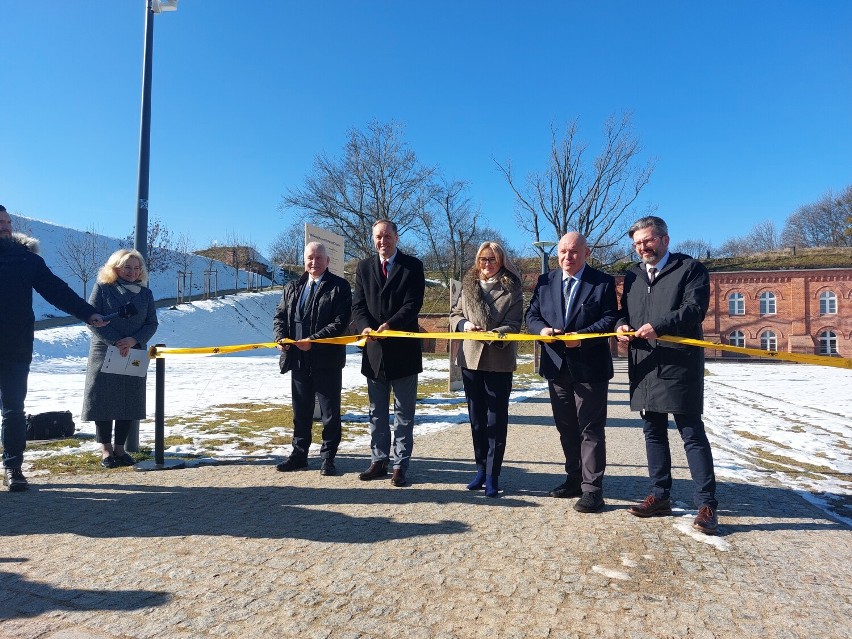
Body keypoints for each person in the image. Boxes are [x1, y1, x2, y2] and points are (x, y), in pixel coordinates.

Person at [615, 215, 719, 535]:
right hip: (644, 364)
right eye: (636, 244)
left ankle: (706, 505)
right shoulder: (632, 276)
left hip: (678, 364)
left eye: (647, 241)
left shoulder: (690, 270)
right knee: (653, 432)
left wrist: (658, 327)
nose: (642, 248)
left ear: (664, 240)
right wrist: (620, 325)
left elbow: (694, 310)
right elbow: (624, 311)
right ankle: (659, 496)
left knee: (691, 433)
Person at [0, 205, 107, 491]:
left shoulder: (26, 260)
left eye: (8, 222)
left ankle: (13, 469)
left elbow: (56, 290)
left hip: (15, 346)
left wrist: (88, 313)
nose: (6, 227)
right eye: (0, 222)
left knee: (13, 410)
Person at [526, 232, 619, 513]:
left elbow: (609, 318)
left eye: (574, 252)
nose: (568, 257)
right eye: (563, 252)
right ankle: (574, 478)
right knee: (566, 427)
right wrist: (541, 331)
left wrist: (582, 336)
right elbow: (531, 315)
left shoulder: (602, 282)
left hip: (590, 367)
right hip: (556, 366)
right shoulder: (545, 281)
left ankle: (593, 490)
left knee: (590, 429)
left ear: (586, 253)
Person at [351, 219, 425, 487]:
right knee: (377, 412)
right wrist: (366, 327)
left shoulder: (413, 266)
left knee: (404, 414)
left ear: (396, 237)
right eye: (377, 237)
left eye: (386, 236)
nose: (382, 241)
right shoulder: (363, 267)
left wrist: (391, 325)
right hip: (374, 352)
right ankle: (378, 460)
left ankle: (400, 464)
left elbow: (413, 304)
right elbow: (357, 305)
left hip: (403, 351)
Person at [450, 241, 523, 498]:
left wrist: (494, 334)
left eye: (491, 259)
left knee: (495, 420)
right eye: (482, 259)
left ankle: (493, 474)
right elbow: (454, 314)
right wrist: (464, 324)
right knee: (477, 419)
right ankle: (480, 469)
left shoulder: (513, 289)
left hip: (497, 360)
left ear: (501, 261)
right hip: (470, 360)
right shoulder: (468, 285)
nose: (486, 264)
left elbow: (515, 324)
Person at [273, 242, 352, 476]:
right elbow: (280, 316)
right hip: (297, 359)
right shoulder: (292, 287)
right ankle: (299, 455)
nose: (314, 262)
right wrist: (280, 337)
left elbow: (340, 322)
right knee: (301, 411)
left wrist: (314, 340)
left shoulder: (340, 287)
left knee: (329, 413)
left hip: (326, 360)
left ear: (328, 261)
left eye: (319, 258)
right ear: (304, 260)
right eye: (310, 258)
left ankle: (328, 458)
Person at [81, 249, 158, 468]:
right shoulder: (103, 289)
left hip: (133, 351)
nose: (133, 272)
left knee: (128, 400)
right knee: (103, 401)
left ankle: (120, 449)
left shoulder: (146, 294)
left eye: (136, 268)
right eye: (127, 267)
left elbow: (152, 323)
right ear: (115, 268)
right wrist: (116, 341)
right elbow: (91, 319)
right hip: (105, 351)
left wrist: (133, 340)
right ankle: (106, 450)